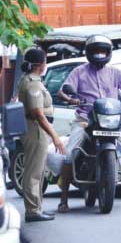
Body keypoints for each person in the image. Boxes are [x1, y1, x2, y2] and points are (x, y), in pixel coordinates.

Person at [56, 35, 121, 212]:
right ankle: (64, 197)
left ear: (108, 53)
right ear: (89, 53)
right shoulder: (78, 72)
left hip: (112, 121)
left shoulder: (116, 73)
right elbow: (62, 91)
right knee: (70, 154)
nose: (99, 54)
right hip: (85, 119)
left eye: (103, 51)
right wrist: (70, 98)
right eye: (96, 51)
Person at [17, 48, 66, 222]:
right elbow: (38, 113)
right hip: (36, 131)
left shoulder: (32, 80)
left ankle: (36, 208)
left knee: (37, 171)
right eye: (45, 61)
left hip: (36, 130)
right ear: (40, 65)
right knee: (33, 173)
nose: (46, 64)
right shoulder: (32, 83)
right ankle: (32, 211)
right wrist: (55, 137)